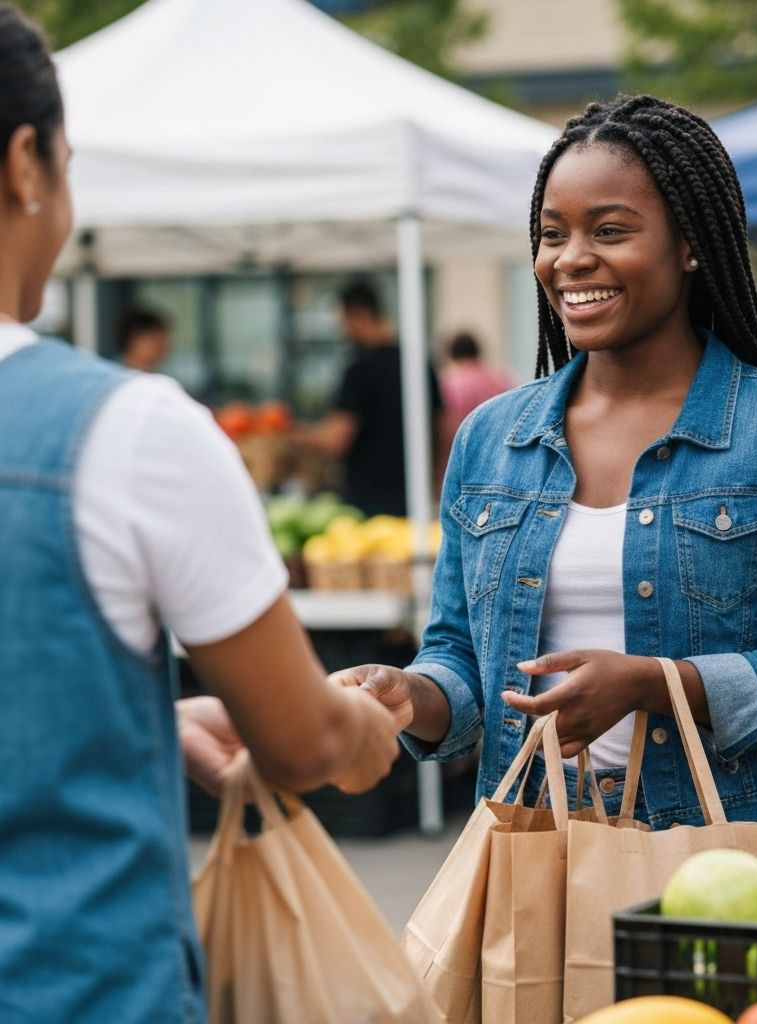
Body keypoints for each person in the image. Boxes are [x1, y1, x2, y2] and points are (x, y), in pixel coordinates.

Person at [0, 9, 399, 1022]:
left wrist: (135, 721)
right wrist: (364, 730)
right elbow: (302, 739)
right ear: (25, 165)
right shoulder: (127, 431)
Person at [334, 95, 757, 830]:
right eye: (551, 233)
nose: (571, 258)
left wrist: (658, 684)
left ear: (690, 244)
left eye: (611, 230)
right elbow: (462, 659)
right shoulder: (491, 439)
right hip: (531, 845)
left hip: (717, 853)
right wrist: (410, 693)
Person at [298, 281, 443, 516]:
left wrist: (298, 434)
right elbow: (444, 426)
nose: (342, 329)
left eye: (344, 320)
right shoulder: (418, 363)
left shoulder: (359, 370)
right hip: (414, 495)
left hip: (367, 501)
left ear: (360, 315)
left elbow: (337, 438)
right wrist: (438, 482)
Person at [439, 330, 516, 432]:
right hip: (500, 435)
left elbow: (448, 421)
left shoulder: (451, 382)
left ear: (452, 355)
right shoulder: (500, 377)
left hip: (466, 438)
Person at [116, 304, 172, 371]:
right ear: (134, 339)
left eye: (164, 341)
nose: (162, 348)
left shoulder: (159, 377)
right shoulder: (112, 376)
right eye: (155, 340)